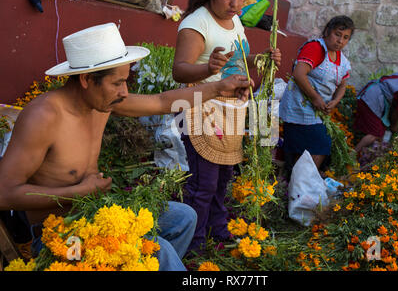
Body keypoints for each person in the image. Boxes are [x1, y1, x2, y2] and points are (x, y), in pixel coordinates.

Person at [0, 22, 252, 270]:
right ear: (87, 79)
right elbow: (4, 194)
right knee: (160, 250)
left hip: (98, 217)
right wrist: (80, 192)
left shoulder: (102, 101)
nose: (124, 91)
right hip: (62, 237)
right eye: (117, 82)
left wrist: (219, 88)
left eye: (125, 80)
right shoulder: (44, 117)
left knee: (184, 217)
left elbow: (161, 102)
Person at [172, 0, 281, 254]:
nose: (235, 3)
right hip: (201, 111)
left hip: (230, 112)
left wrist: (261, 60)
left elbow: (238, 60)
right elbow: (180, 70)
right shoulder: (197, 24)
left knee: (222, 180)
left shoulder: (234, 21)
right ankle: (192, 246)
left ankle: (217, 231)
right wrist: (208, 69)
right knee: (203, 184)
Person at [279, 15, 354, 180]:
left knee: (311, 150)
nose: (340, 40)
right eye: (337, 34)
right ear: (327, 31)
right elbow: (299, 74)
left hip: (318, 111)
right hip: (300, 107)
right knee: (319, 146)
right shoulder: (316, 48)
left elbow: (343, 84)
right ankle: (299, 184)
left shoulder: (343, 61)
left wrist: (335, 101)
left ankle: (298, 186)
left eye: (345, 37)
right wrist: (315, 97)